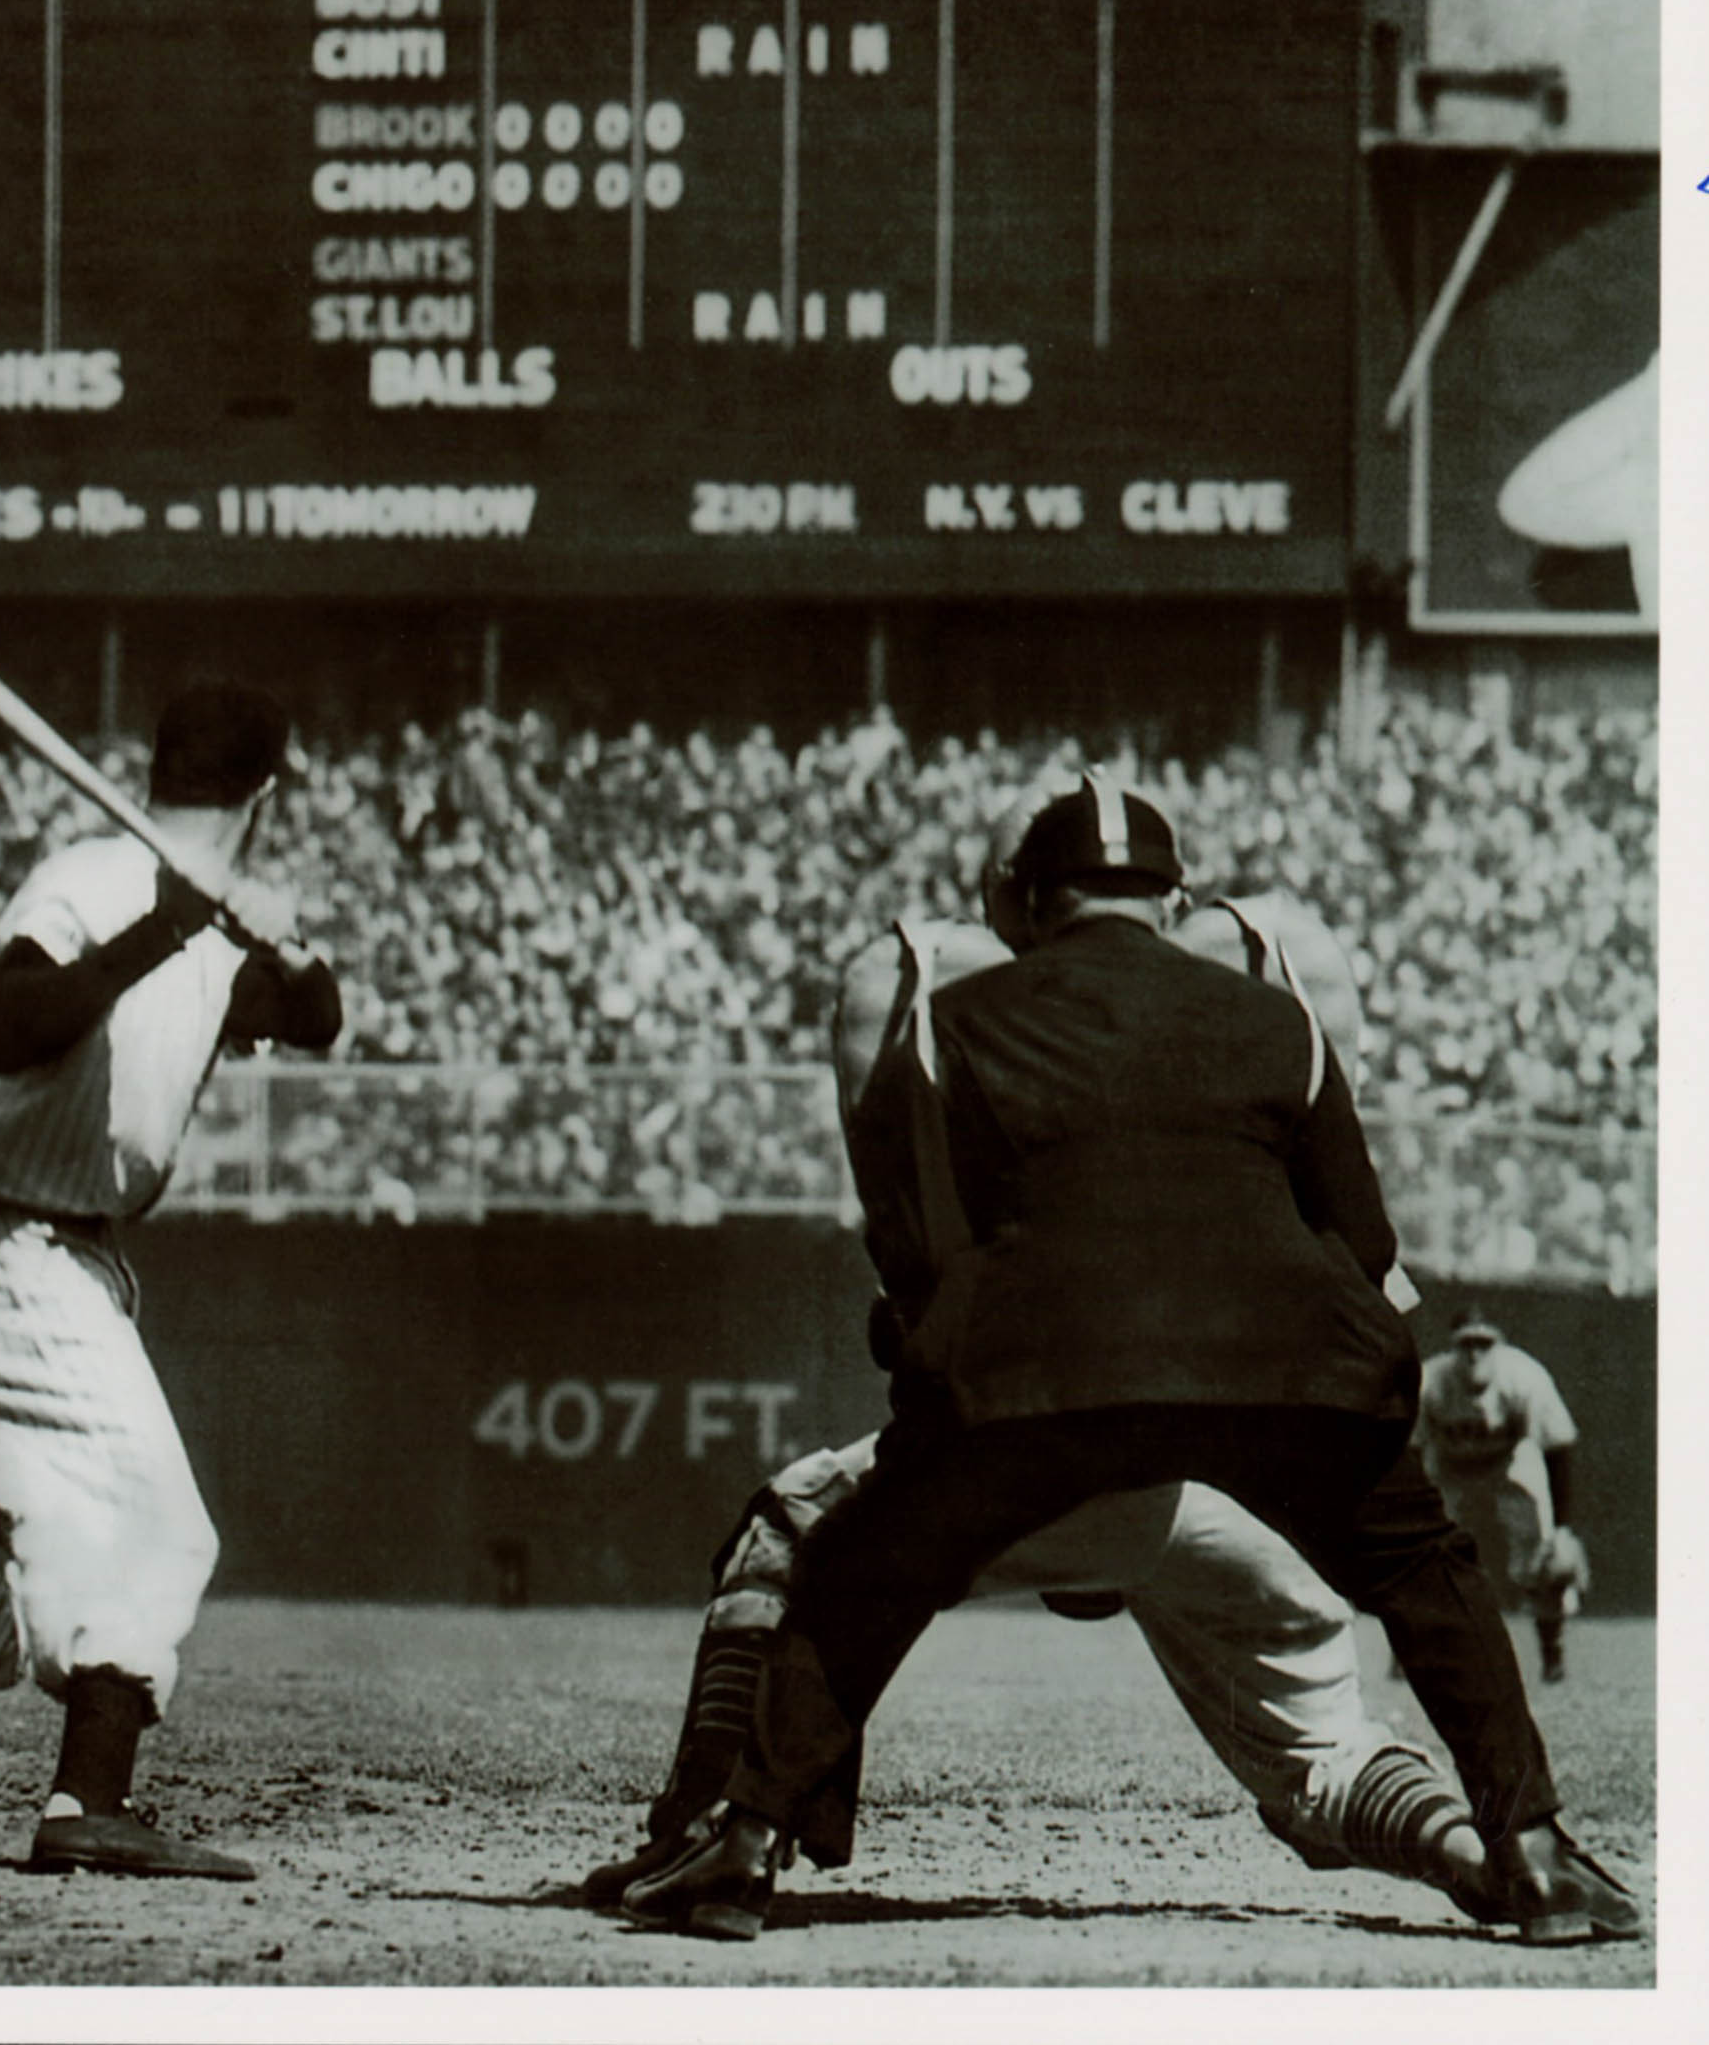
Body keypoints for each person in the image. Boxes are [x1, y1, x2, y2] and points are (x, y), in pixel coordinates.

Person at [633, 775, 1637, 1947]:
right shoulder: (1284, 1014)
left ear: (1024, 899)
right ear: (1174, 898)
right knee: (1427, 1573)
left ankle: (733, 1844)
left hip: (1047, 1388)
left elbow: (923, 1270)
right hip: (1282, 1392)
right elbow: (1363, 1242)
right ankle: (1527, 1846)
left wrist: (944, 1411)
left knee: (854, 1563)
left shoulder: (948, 1018)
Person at [0, 685, 342, 1880]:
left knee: (40, 1523)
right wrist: (162, 927)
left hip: (32, 1248)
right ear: (266, 794)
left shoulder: (212, 923)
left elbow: (313, 1017)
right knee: (157, 1526)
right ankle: (85, 1803)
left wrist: (287, 942)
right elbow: (11, 1023)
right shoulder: (99, 881)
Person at [1418, 1308, 1588, 1683]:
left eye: (1483, 1344)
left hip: (1508, 1462)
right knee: (1423, 1553)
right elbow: (1411, 1450)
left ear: (1499, 1346)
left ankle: (1551, 1650)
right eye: (1466, 1344)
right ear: (1452, 1349)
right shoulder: (1430, 1381)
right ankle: (1414, 1649)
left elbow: (1559, 1447)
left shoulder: (1525, 1377)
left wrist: (1562, 1527)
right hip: (1451, 1467)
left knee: (1547, 1558)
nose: (1474, 1354)